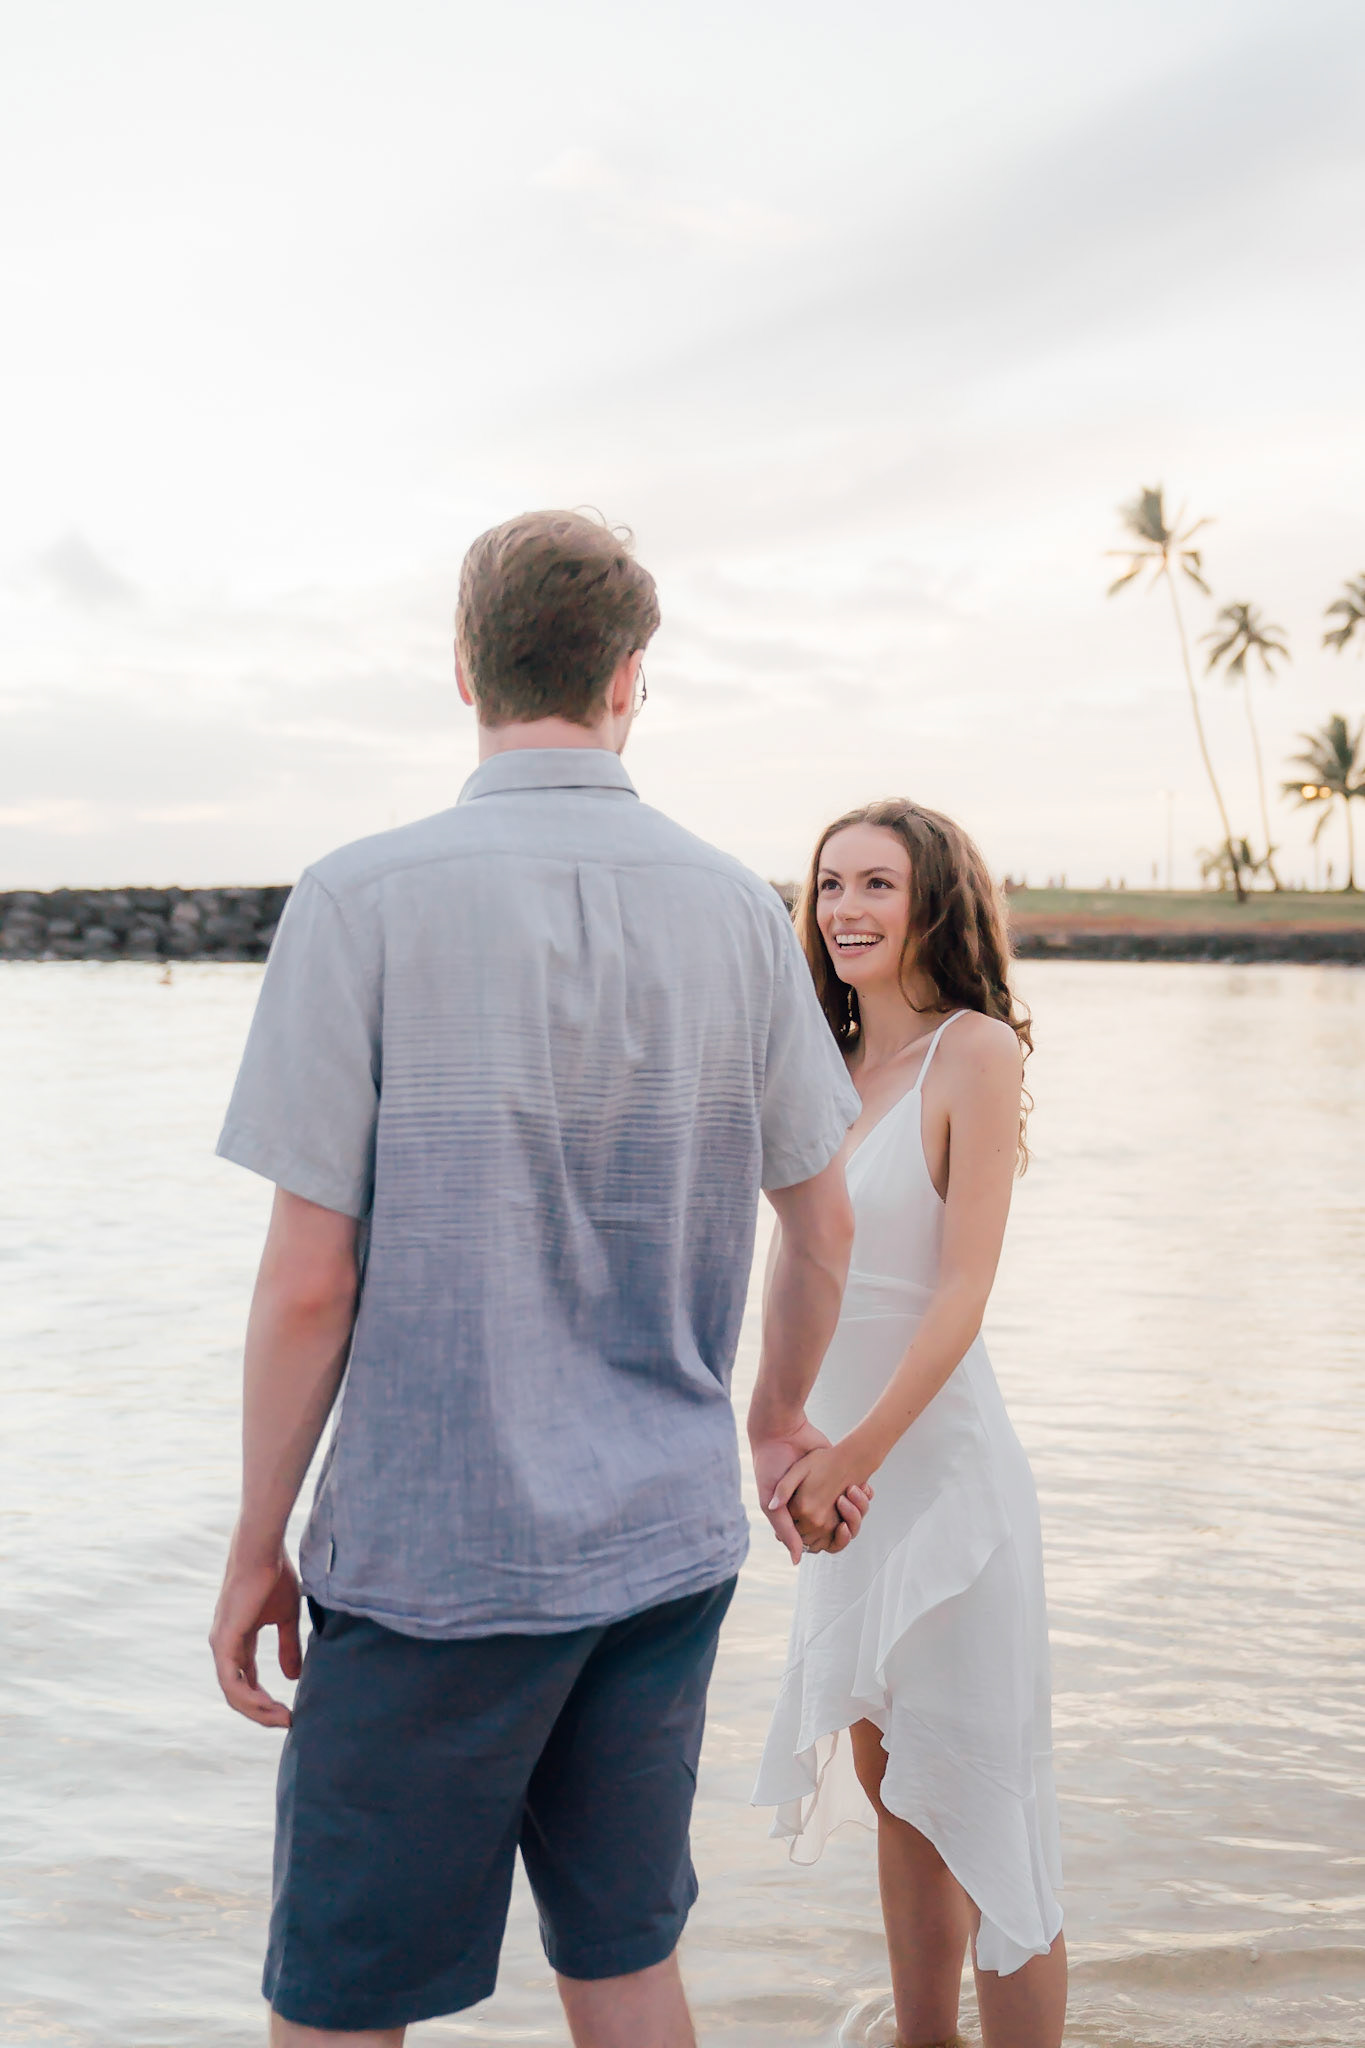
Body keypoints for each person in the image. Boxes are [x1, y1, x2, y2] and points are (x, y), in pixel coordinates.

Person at [208, 510, 872, 2048]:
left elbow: (309, 1283)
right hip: (661, 1548)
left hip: (431, 1563)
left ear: (464, 668)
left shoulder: (360, 899)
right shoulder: (736, 909)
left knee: (339, 2001)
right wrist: (776, 1417)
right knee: (624, 1963)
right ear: (630, 676)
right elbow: (822, 1225)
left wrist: (256, 1541)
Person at [751, 800, 1067, 2048]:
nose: (844, 908)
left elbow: (961, 1293)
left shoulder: (972, 1053)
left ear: (934, 899)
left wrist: (854, 1455)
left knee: (989, 1808)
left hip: (933, 1473)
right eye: (829, 883)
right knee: (901, 1799)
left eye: (876, 882)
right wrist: (779, 1427)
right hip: (843, 1480)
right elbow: (793, 1268)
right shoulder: (819, 1067)